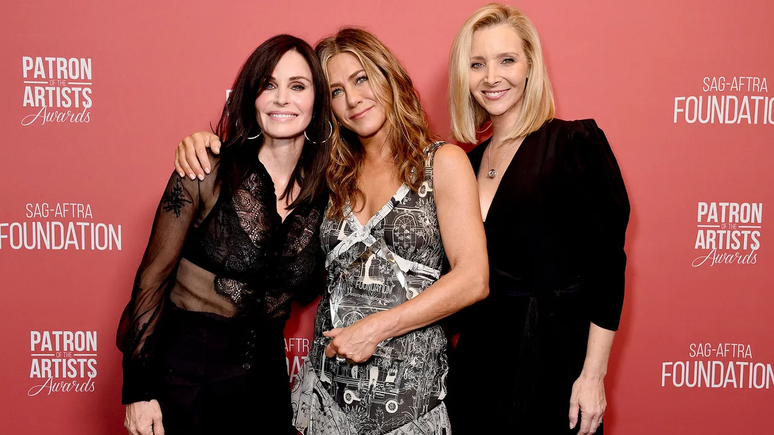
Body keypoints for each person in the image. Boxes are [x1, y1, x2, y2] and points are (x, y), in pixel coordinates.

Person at [174, 27, 489, 435]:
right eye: (337, 91)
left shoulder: (441, 162)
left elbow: (473, 279)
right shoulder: (329, 174)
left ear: (389, 76)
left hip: (410, 399)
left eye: (361, 79)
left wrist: (376, 328)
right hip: (326, 399)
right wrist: (206, 144)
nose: (353, 99)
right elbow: (263, 172)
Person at [117, 34, 331, 435]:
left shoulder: (326, 196)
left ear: (317, 102)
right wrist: (138, 391)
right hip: (184, 384)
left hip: (265, 390)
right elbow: (151, 281)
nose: (282, 99)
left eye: (298, 86)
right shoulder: (206, 171)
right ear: (251, 96)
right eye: (269, 85)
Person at [445, 4, 630, 435]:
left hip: (553, 363)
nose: (492, 77)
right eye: (477, 64)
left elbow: (608, 267)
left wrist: (592, 377)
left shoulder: (574, 144)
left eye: (507, 60)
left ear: (530, 66)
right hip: (476, 368)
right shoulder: (463, 164)